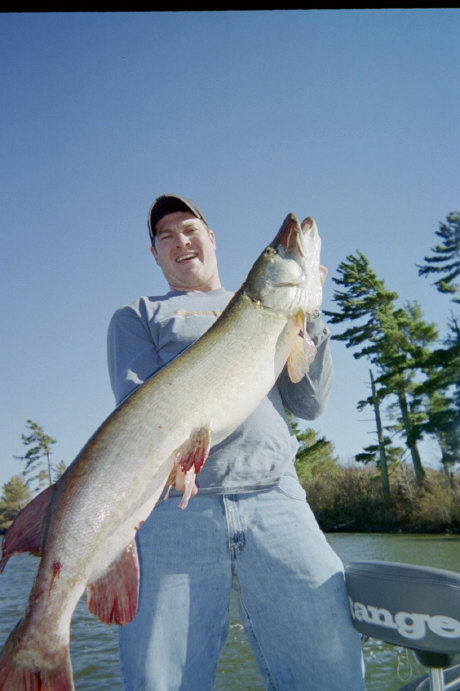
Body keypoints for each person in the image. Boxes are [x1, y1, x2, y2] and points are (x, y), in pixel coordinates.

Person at [107, 194, 366, 691]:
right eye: (166, 236)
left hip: (276, 497)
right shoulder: (138, 315)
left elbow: (310, 402)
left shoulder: (269, 307)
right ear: (155, 255)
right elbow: (138, 413)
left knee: (328, 666)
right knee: (160, 680)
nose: (181, 241)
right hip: (177, 510)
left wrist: (308, 315)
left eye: (190, 229)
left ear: (212, 238)